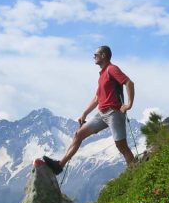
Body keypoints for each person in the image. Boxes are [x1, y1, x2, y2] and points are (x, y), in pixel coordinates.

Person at [39, 45, 135, 175]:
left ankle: (135, 171)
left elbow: (129, 82)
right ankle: (59, 165)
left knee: (121, 146)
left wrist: (128, 104)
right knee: (78, 135)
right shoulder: (102, 74)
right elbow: (97, 98)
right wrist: (85, 113)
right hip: (101, 114)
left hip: (114, 112)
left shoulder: (112, 69)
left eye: (96, 54)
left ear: (103, 55)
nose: (93, 57)